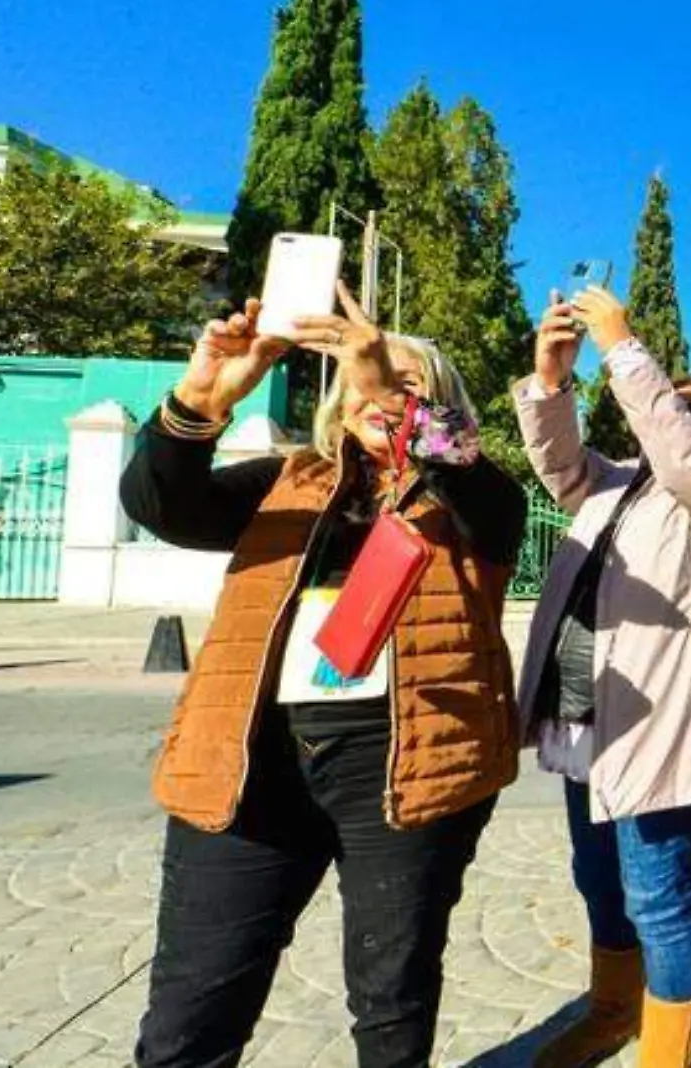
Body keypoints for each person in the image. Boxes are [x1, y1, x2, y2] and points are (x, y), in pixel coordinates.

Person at [123, 286, 527, 1068]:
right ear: (338, 403)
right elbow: (162, 506)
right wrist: (201, 398)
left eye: (410, 386)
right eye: (368, 381)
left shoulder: (474, 498)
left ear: (441, 408)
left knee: (391, 1003)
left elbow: (480, 487)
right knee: (190, 1012)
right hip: (249, 766)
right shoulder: (281, 483)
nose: (383, 396)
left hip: (405, 770)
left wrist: (394, 393)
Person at [515, 283, 691, 1068]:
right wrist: (552, 381)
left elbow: (689, 465)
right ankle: (613, 1010)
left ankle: (668, 1053)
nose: (688, 413)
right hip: (584, 709)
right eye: (678, 401)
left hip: (662, 725)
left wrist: (626, 351)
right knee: (598, 882)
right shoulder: (613, 483)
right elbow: (557, 463)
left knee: (660, 895)